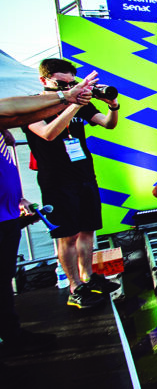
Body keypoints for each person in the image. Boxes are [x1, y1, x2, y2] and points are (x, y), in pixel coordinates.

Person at [0, 78, 96, 347]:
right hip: (49, 188)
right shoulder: (16, 111)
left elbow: (23, 112)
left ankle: (12, 332)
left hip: (8, 213)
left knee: (4, 279)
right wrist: (67, 98)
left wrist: (18, 198)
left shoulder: (8, 126)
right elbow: (16, 108)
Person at [23, 59, 121, 309]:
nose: (68, 87)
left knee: (87, 230)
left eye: (72, 83)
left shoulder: (81, 105)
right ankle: (74, 287)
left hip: (84, 174)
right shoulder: (33, 106)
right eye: (61, 83)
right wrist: (72, 103)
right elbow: (49, 133)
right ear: (44, 80)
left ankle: (88, 278)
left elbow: (108, 124)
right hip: (56, 179)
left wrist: (113, 106)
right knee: (67, 235)